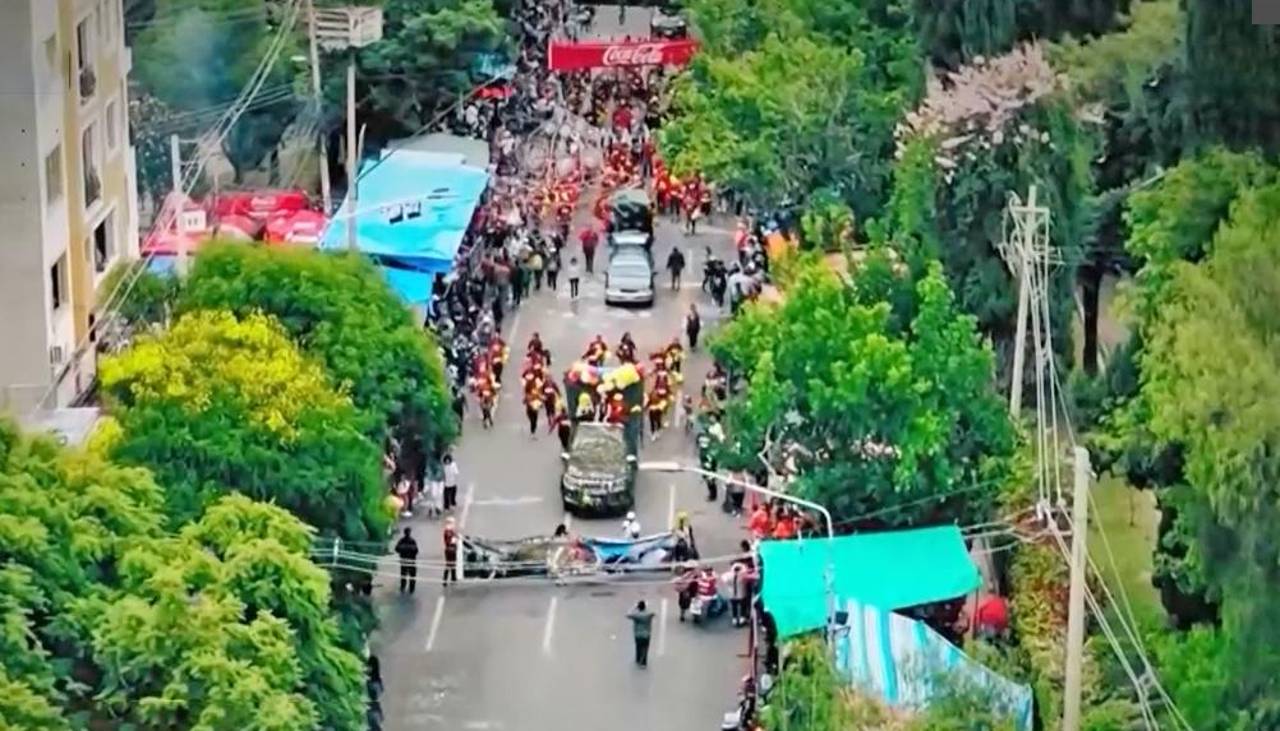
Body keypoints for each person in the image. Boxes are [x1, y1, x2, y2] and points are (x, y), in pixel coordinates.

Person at [627, 600, 654, 667]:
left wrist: (634, 607)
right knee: (645, 648)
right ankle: (643, 662)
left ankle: (638, 659)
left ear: (638, 607)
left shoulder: (636, 615)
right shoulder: (649, 615)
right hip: (647, 634)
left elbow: (628, 614)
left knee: (638, 647)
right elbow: (654, 612)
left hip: (638, 634)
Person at [394, 528, 419, 594]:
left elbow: (416, 550)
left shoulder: (406, 541)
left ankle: (407, 588)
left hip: (408, 561)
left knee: (406, 575)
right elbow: (416, 551)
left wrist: (404, 549)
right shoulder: (409, 541)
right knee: (408, 575)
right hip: (408, 561)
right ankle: (408, 588)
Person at [442, 518, 459, 587]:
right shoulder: (448, 531)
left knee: (452, 564)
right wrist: (455, 539)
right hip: (450, 549)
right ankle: (445, 580)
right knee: (449, 564)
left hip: (451, 549)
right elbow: (450, 541)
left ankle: (453, 577)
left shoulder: (450, 531)